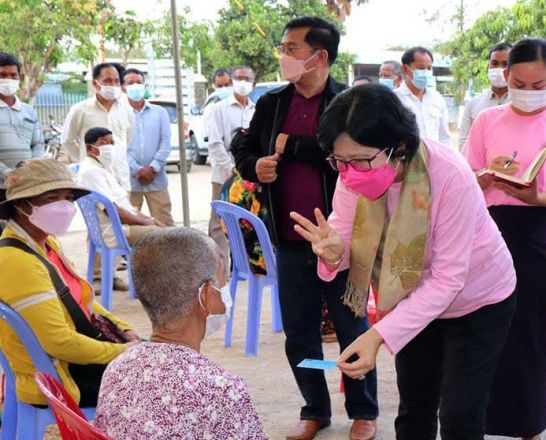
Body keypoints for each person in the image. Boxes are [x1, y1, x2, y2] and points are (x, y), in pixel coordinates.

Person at [291, 83, 517, 440]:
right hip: (409, 299)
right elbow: (343, 234)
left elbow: (447, 279)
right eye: (340, 161)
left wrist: (377, 335)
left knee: (460, 415)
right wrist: (334, 255)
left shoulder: (449, 175)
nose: (349, 173)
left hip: (478, 300)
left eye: (362, 160)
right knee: (414, 408)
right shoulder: (352, 176)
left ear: (400, 146)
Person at [234, 16, 378, 440]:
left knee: (352, 328)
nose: (284, 56)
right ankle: (314, 408)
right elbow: (244, 143)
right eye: (284, 47)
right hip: (291, 241)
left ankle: (363, 410)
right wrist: (254, 165)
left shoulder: (351, 104)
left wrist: (292, 146)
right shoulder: (272, 103)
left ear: (320, 56)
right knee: (299, 334)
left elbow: (348, 153)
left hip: (342, 242)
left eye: (291, 48)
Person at [463, 38, 546, 439]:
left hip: (541, 233)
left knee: (536, 333)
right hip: (491, 231)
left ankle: (530, 424)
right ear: (506, 77)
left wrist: (537, 195)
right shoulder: (487, 121)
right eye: (519, 81)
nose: (528, 91)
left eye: (538, 84)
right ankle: (483, 418)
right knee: (486, 329)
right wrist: (486, 175)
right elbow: (466, 180)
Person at [95, 228, 268, 439]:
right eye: (224, 280)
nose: (226, 289)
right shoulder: (221, 390)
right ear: (205, 295)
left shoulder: (117, 368)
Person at [0, 158, 140, 407]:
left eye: (67, 197)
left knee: (168, 363)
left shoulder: (47, 244)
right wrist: (121, 353)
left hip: (73, 360)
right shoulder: (17, 261)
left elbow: (82, 300)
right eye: (52, 198)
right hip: (56, 378)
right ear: (22, 206)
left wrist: (122, 328)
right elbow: (59, 342)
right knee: (163, 381)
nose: (65, 206)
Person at [76, 127, 164, 291]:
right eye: (103, 143)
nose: (109, 147)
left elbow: (124, 206)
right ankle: (155, 287)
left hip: (116, 227)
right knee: (165, 236)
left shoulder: (100, 169)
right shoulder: (91, 172)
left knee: (164, 228)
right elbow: (113, 211)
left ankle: (148, 284)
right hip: (115, 231)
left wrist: (147, 219)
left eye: (111, 143)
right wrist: (146, 222)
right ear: (90, 148)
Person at [208, 65, 256, 274]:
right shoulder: (219, 109)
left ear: (253, 83)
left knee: (247, 221)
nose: (243, 82)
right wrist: (231, 169)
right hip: (224, 176)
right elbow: (215, 144)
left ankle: (243, 265)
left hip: (250, 180)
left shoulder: (256, 110)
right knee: (219, 222)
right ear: (232, 81)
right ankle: (219, 270)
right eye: (238, 78)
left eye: (247, 78)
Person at [62, 63, 133, 190]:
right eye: (107, 81)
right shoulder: (80, 109)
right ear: (95, 84)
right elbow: (67, 141)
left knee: (125, 209)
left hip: (120, 179)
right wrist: (85, 158)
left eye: (116, 81)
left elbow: (128, 139)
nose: (113, 85)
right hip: (94, 181)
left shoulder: (126, 109)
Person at [124, 68, 175, 227]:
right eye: (130, 83)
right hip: (129, 180)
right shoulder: (119, 114)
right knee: (129, 227)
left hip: (156, 179)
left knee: (165, 225)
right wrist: (136, 169)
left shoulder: (159, 113)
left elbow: (166, 143)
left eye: (139, 82)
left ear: (145, 85)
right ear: (123, 87)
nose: (135, 86)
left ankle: (167, 253)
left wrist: (153, 168)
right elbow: (118, 147)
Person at [0, 52, 43, 204]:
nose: (8, 80)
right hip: (1, 187)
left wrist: (32, 170)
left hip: (26, 185)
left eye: (13, 75)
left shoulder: (29, 111)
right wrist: (8, 174)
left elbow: (37, 144)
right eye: (3, 75)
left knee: (23, 226)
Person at [458, 43, 511, 149]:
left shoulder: (522, 103)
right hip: (480, 165)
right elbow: (464, 142)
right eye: (494, 63)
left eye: (505, 64)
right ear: (488, 67)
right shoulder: (473, 104)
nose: (499, 69)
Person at [395, 47, 451, 146]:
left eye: (429, 68)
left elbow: (444, 137)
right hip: (407, 159)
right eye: (420, 68)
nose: (426, 72)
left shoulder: (437, 98)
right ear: (405, 69)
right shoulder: (395, 99)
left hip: (435, 158)